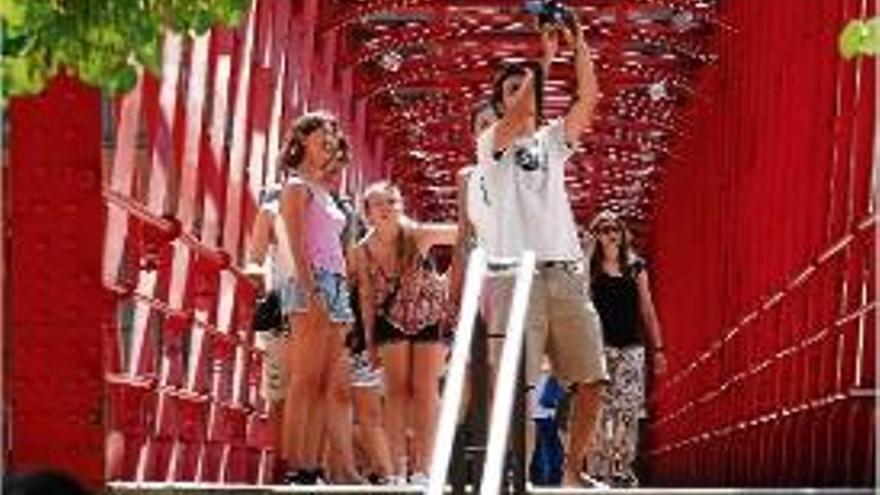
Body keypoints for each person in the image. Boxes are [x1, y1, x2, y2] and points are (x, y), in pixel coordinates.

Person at [473, 7, 608, 487]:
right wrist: (543, 61)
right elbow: (519, 114)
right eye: (510, 88)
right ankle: (518, 477)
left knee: (593, 379)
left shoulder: (552, 142)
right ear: (500, 103)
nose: (521, 92)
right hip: (517, 276)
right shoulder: (493, 146)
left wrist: (580, 42)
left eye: (522, 85)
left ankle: (573, 472)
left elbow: (590, 97)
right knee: (517, 386)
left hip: (565, 273)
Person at [349, 181, 457, 484]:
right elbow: (367, 299)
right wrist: (369, 342)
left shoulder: (417, 234)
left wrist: (452, 279)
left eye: (393, 202)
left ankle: (425, 469)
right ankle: (396, 469)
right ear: (367, 212)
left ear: (402, 205)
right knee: (395, 393)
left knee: (424, 391)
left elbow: (465, 232)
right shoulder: (361, 251)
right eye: (379, 204)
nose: (387, 209)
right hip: (390, 320)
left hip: (428, 315)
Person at [277, 111, 357, 484]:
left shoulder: (323, 187)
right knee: (304, 380)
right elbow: (294, 242)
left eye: (332, 134)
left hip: (337, 282)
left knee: (325, 382)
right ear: (302, 139)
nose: (328, 139)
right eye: (321, 134)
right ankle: (297, 465)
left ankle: (313, 466)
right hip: (311, 281)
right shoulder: (296, 187)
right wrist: (310, 290)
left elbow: (345, 156)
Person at [586, 210, 666, 487]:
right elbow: (579, 301)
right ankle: (598, 467)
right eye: (605, 229)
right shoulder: (590, 269)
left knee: (628, 411)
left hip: (632, 348)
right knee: (599, 411)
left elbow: (647, 308)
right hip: (599, 348)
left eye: (616, 229)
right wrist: (586, 255)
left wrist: (658, 349)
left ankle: (621, 467)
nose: (611, 234)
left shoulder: (636, 267)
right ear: (596, 236)